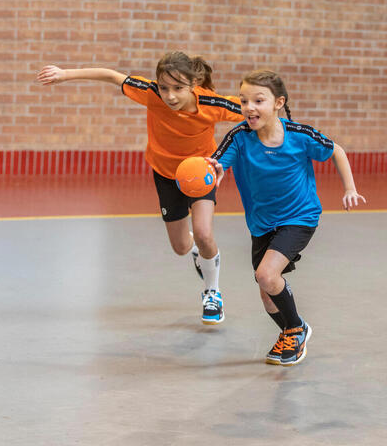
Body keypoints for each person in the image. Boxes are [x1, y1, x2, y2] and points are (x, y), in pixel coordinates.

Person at [36, 52, 243, 324]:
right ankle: (195, 252)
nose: (169, 96)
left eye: (178, 89)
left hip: (200, 173)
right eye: (164, 87)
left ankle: (212, 293)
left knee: (204, 233)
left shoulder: (213, 104)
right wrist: (65, 74)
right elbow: (111, 75)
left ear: (194, 84)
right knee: (182, 247)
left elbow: (254, 113)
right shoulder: (150, 94)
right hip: (166, 175)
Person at [208, 69, 366, 366]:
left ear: (278, 102)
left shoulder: (299, 135)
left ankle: (294, 330)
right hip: (261, 222)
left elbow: (336, 150)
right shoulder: (239, 137)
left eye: (258, 100)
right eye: (244, 101)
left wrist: (350, 188)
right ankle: (295, 330)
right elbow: (217, 163)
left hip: (299, 216)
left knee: (266, 275)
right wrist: (210, 173)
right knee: (267, 293)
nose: (249, 108)